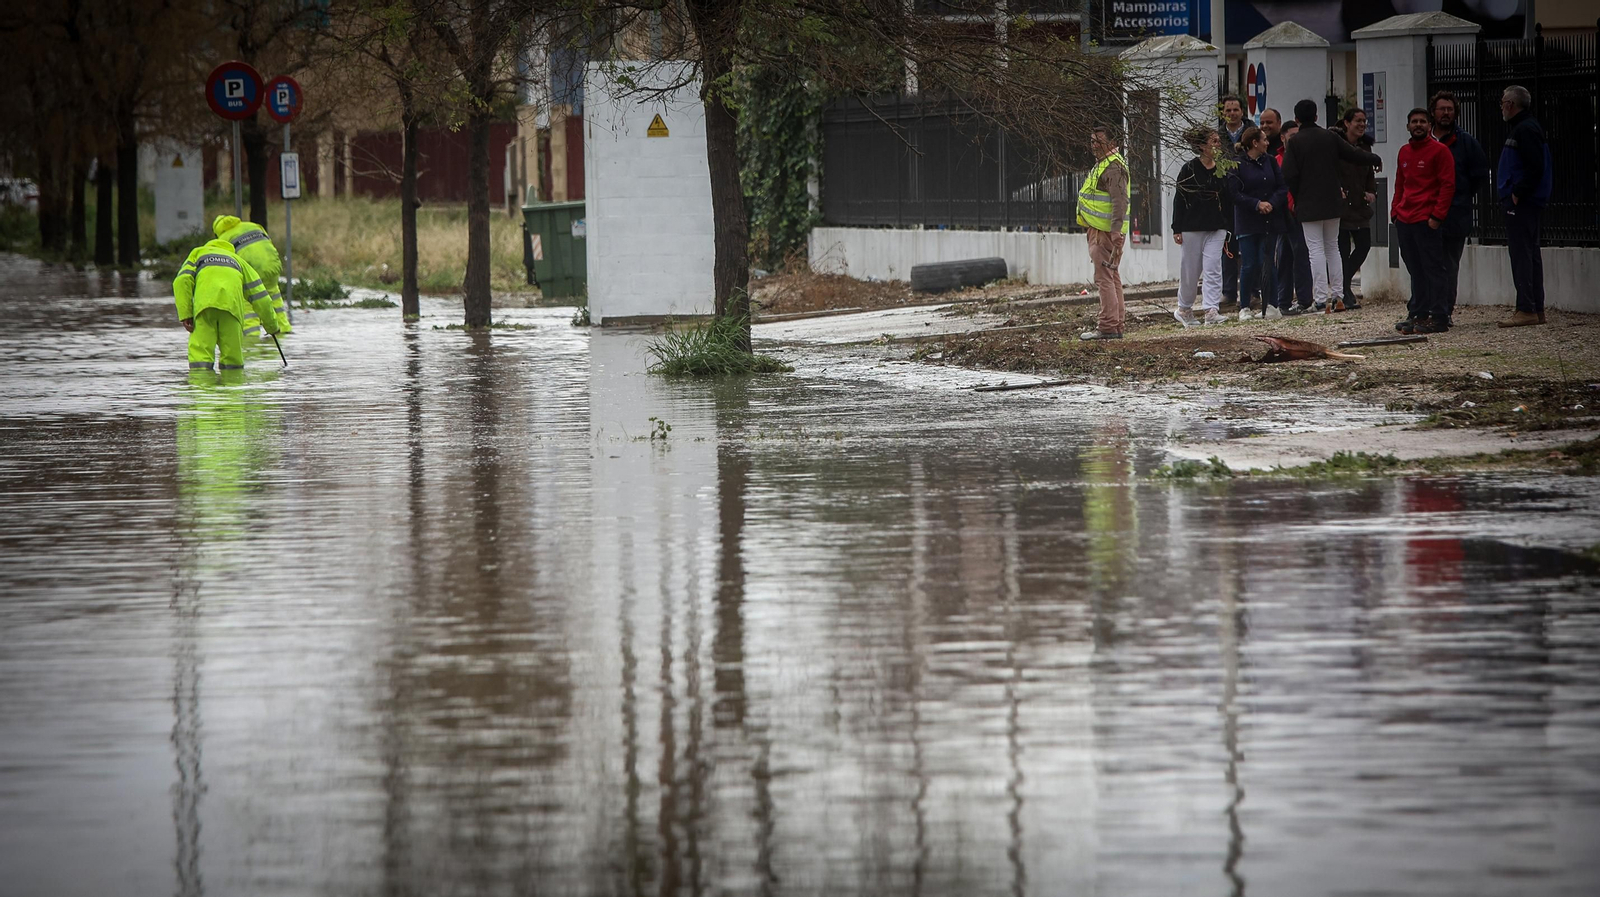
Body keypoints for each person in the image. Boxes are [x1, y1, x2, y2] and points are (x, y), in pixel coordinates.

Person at [1281, 98, 1383, 316]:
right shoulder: (1330, 137)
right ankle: (1337, 296)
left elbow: (1288, 173)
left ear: (1297, 119)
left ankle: (1320, 299)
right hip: (1333, 201)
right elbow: (1352, 153)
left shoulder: (1296, 142)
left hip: (1309, 202)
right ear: (1316, 116)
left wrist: (1298, 195)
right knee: (1333, 248)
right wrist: (1373, 157)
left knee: (1315, 249)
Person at [1391, 107, 1456, 335]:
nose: (1418, 125)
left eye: (1422, 121)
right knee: (1415, 269)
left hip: (1427, 220)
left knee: (1433, 269)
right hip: (1405, 220)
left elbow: (1447, 185)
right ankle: (1418, 312)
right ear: (1408, 126)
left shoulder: (1440, 152)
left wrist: (1437, 217)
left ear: (1430, 126)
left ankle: (1439, 316)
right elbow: (1400, 183)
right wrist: (1395, 212)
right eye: (1413, 121)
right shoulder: (1404, 152)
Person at [174, 237, 281, 371]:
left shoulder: (198, 254)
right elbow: (262, 298)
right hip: (232, 312)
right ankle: (232, 389)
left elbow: (181, 281)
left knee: (200, 361)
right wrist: (272, 327)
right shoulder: (239, 261)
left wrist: (186, 314)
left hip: (204, 309)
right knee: (233, 362)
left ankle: (200, 388)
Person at [1429, 90, 1489, 328]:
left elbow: (1479, 176)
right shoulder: (1425, 141)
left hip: (1455, 215)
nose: (1446, 113)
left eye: (1450, 109)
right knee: (1427, 265)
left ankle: (1445, 310)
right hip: (1426, 213)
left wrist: (1460, 197)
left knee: (1449, 265)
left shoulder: (1466, 143)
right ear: (1433, 112)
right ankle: (1426, 308)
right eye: (1442, 109)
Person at [1495, 84, 1551, 328]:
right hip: (1528, 200)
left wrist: (1517, 193)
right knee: (1529, 254)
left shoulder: (1524, 130)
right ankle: (1535, 308)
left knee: (1521, 254)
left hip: (1522, 202)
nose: (1501, 107)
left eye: (1503, 102)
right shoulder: (1527, 127)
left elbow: (1534, 166)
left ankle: (1526, 308)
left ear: (1511, 104)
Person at [1226, 126, 1287, 320]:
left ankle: (1271, 304)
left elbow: (1282, 186)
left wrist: (1271, 203)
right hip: (1247, 220)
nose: (1267, 143)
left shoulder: (1270, 161)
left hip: (1269, 220)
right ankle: (1244, 306)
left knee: (1267, 262)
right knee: (1249, 264)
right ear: (1254, 143)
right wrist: (1256, 204)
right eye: (1264, 140)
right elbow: (1234, 193)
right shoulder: (1237, 164)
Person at [1171, 127, 1230, 326]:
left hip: (1216, 227)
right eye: (1213, 141)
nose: (1218, 145)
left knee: (1213, 266)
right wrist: (1176, 228)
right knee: (1191, 270)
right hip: (1192, 227)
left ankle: (1211, 310)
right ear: (1203, 146)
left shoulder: (1221, 169)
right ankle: (1184, 308)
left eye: (1218, 141)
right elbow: (1179, 199)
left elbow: (1227, 198)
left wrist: (1228, 223)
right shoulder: (1189, 169)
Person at [1078, 125, 1129, 340]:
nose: (1094, 145)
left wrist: (1115, 230)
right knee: (1112, 275)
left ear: (1111, 142)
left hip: (1104, 233)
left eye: (1098, 141)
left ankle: (1107, 325)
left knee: (1104, 278)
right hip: (1105, 231)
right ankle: (1115, 324)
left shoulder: (1112, 167)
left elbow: (1120, 201)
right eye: (1092, 141)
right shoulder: (1105, 165)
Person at [212, 215, 292, 336]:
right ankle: (283, 330)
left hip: (252, 272)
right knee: (274, 299)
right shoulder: (253, 226)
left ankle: (252, 339)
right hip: (272, 266)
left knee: (249, 305)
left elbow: (225, 264)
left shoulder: (223, 239)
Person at [1336, 107, 1379, 310]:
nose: (1362, 125)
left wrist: (1372, 191)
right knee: (1342, 251)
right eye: (1357, 121)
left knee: (1363, 246)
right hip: (1342, 207)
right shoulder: (1336, 145)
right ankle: (1344, 291)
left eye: (1364, 121)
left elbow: (1369, 174)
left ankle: (1343, 285)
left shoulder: (1365, 148)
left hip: (1360, 206)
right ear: (1347, 123)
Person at [1274, 120, 1313, 314]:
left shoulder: (1303, 157)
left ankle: (1304, 299)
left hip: (1299, 213)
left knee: (1301, 256)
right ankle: (1284, 300)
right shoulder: (1277, 160)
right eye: (1292, 136)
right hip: (1283, 214)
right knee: (1284, 258)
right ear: (1283, 137)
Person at [1218, 95, 1248, 308]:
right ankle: (1229, 292)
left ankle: (1252, 291)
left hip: (1248, 196)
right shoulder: (1217, 136)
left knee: (1249, 249)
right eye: (1227, 111)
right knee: (1228, 248)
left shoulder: (1252, 132)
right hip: (1226, 199)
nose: (1231, 114)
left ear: (1242, 112)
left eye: (1235, 110)